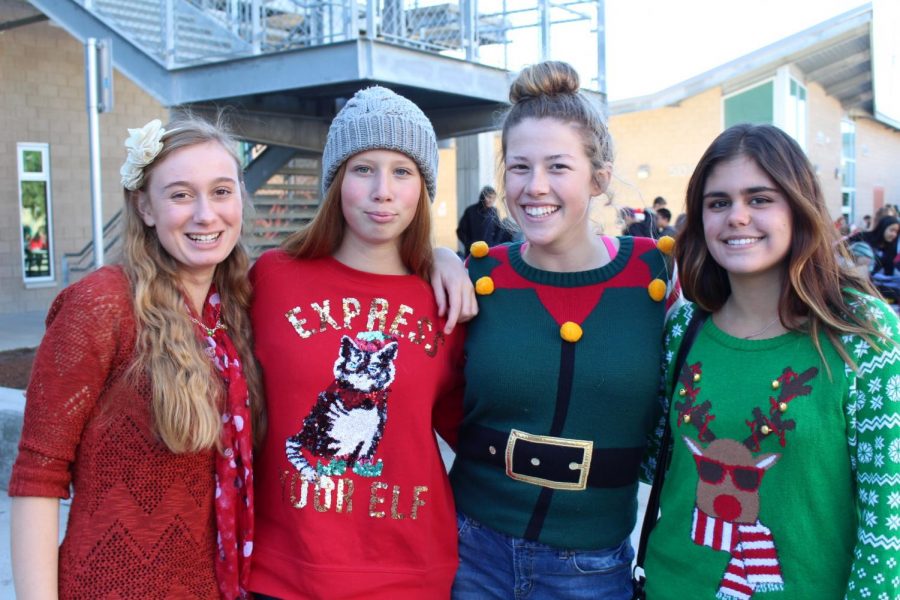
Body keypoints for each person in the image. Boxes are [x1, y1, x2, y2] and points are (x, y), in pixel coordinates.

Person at [9, 116, 265, 599]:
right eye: (181, 195)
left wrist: (446, 261)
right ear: (145, 206)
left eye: (221, 191)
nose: (205, 214)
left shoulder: (240, 306)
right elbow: (37, 478)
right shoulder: (102, 305)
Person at [643, 123, 900, 599]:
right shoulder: (684, 329)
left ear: (799, 209)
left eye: (760, 199)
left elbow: (889, 519)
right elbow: (644, 459)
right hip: (670, 585)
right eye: (718, 203)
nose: (737, 217)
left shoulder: (862, 332)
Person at [450, 61, 673, 600]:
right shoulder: (476, 274)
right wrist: (433, 254)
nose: (535, 187)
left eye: (558, 166)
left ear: (599, 177)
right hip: (470, 551)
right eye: (520, 167)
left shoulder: (660, 275)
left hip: (593, 566)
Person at [248, 86, 467, 599]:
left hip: (409, 574)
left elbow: (476, 436)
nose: (382, 191)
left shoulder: (447, 299)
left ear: (423, 188)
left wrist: (448, 257)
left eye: (402, 171)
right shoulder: (271, 279)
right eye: (363, 168)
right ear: (336, 181)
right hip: (283, 573)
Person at [457, 185, 515, 255]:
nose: (491, 200)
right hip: (473, 251)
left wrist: (494, 244)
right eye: (489, 197)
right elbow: (460, 231)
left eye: (493, 198)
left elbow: (499, 230)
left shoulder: (494, 211)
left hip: (489, 251)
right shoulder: (470, 211)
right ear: (482, 197)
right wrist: (469, 244)